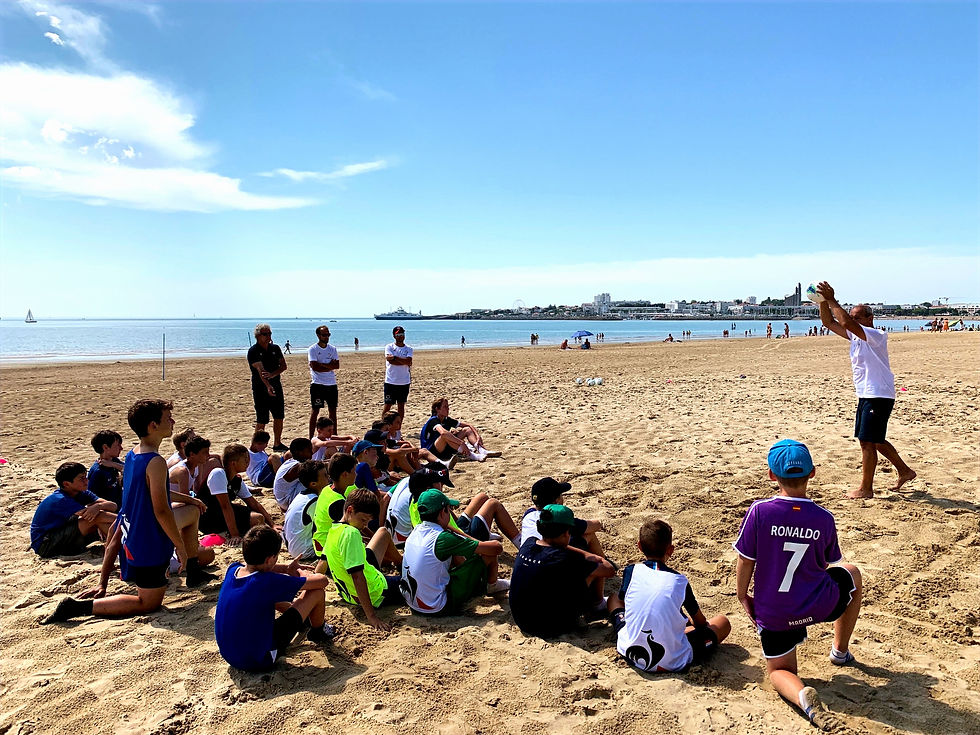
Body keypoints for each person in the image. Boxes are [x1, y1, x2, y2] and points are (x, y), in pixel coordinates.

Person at [43, 399, 213, 624]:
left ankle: (193, 572)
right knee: (148, 602)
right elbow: (161, 511)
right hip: (147, 540)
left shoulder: (134, 454)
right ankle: (76, 608)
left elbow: (135, 507)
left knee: (192, 512)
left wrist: (102, 582)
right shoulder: (156, 462)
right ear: (153, 425)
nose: (172, 421)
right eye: (167, 418)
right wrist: (179, 547)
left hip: (132, 531)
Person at [734, 440, 863, 723]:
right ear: (812, 473)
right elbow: (826, 563)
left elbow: (745, 559)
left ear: (771, 475)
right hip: (816, 605)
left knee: (781, 672)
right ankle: (840, 651)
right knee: (851, 573)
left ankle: (803, 695)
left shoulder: (759, 511)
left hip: (775, 612)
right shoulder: (823, 518)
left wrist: (743, 595)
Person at [816, 282, 916, 499]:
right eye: (852, 316)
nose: (852, 320)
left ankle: (866, 489)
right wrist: (822, 301)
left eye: (857, 317)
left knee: (867, 441)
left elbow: (845, 323)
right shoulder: (855, 335)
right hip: (867, 393)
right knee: (875, 439)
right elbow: (828, 322)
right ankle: (905, 471)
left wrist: (833, 300)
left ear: (869, 318)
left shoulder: (876, 334)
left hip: (878, 393)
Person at [608, 519, 730, 672]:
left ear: (639, 546)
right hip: (673, 660)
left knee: (614, 599)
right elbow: (700, 622)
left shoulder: (631, 571)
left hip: (630, 650)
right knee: (722, 622)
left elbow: (625, 601)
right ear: (670, 550)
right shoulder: (679, 581)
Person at [214, 526, 333, 672]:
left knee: (267, 597)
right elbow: (322, 581)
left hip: (230, 656)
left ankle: (302, 622)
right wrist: (303, 573)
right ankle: (318, 632)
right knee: (316, 592)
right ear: (270, 559)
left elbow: (257, 568)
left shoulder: (233, 569)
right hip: (260, 660)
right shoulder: (267, 581)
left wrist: (285, 569)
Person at [509, 505, 615, 637]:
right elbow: (608, 569)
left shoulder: (529, 543)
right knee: (590, 571)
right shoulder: (566, 559)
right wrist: (583, 554)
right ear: (566, 533)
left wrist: (564, 547)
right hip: (553, 627)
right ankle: (597, 604)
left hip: (521, 620)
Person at [400, 489, 510, 615]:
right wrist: (470, 538)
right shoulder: (443, 539)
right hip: (437, 607)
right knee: (489, 555)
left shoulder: (416, 530)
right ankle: (492, 586)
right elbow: (497, 548)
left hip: (413, 604)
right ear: (442, 513)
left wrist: (450, 528)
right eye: (449, 509)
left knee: (450, 556)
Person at [325, 489, 404, 632]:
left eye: (367, 522)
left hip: (348, 594)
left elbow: (322, 562)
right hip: (376, 592)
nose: (364, 525)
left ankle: (401, 564)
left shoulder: (333, 530)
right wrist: (372, 617)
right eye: (363, 520)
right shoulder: (352, 534)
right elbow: (357, 577)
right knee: (412, 582)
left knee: (382, 533)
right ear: (350, 510)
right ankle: (404, 569)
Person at [31, 462, 117, 558]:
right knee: (96, 517)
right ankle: (119, 544)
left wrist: (98, 506)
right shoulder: (60, 499)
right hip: (45, 545)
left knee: (100, 519)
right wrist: (129, 521)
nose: (86, 480)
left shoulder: (82, 493)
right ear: (66, 484)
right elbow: (97, 516)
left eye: (86, 476)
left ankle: (115, 546)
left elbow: (113, 506)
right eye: (81, 478)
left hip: (62, 535)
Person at [200, 444, 276, 543]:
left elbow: (253, 503)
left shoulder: (237, 479)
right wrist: (234, 535)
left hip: (224, 512)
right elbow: (225, 506)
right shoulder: (218, 474)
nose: (248, 462)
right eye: (245, 459)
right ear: (234, 463)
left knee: (258, 519)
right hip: (209, 516)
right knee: (257, 519)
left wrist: (272, 525)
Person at [421, 398, 501, 464]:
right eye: (445, 407)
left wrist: (477, 436)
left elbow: (469, 425)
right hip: (432, 452)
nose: (448, 409)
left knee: (467, 430)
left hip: (445, 449)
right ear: (437, 409)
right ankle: (473, 456)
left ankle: (481, 450)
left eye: (448, 406)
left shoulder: (446, 419)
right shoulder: (433, 420)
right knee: (446, 435)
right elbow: (443, 433)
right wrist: (461, 443)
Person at [248, 323, 288, 452]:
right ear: (258, 336)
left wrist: (273, 375)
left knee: (279, 416)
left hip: (276, 385)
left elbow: (283, 366)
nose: (268, 336)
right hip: (260, 389)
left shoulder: (275, 348)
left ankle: (277, 443)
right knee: (262, 419)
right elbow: (261, 371)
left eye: (270, 333)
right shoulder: (253, 351)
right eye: (265, 334)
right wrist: (268, 385)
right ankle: (257, 446)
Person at [311, 452, 355, 567]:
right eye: (354, 471)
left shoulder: (327, 489)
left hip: (320, 545)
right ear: (345, 474)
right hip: (327, 555)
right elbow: (353, 529)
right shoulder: (337, 503)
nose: (356, 474)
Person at [283, 460, 329, 561]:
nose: (328, 478)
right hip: (304, 552)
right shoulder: (314, 502)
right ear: (313, 484)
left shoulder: (301, 495)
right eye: (325, 476)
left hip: (292, 546)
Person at [308, 325, 340, 438]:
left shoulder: (332, 349)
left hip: (331, 384)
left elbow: (337, 365)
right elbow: (315, 366)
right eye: (324, 335)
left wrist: (322, 365)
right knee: (315, 411)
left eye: (328, 334)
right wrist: (328, 365)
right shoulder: (313, 349)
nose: (326, 337)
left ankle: (333, 435)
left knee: (333, 411)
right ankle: (311, 436)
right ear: (318, 335)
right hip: (318, 384)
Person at [273, 437, 314, 510]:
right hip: (286, 501)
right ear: (300, 452)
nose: (312, 453)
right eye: (309, 450)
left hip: (282, 500)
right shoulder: (297, 467)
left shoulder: (291, 462)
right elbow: (318, 467)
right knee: (316, 480)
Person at [382, 326, 413, 419]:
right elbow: (390, 360)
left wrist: (395, 358)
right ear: (394, 336)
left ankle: (398, 427)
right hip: (391, 382)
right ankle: (383, 426)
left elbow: (409, 361)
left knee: (401, 406)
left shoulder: (409, 348)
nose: (400, 336)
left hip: (404, 382)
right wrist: (402, 361)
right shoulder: (389, 347)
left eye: (402, 334)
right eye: (398, 334)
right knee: (388, 405)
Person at [87, 429, 124, 506]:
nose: (121, 448)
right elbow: (90, 499)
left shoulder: (114, 461)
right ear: (105, 447)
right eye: (118, 445)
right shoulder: (97, 472)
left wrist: (113, 464)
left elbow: (130, 470)